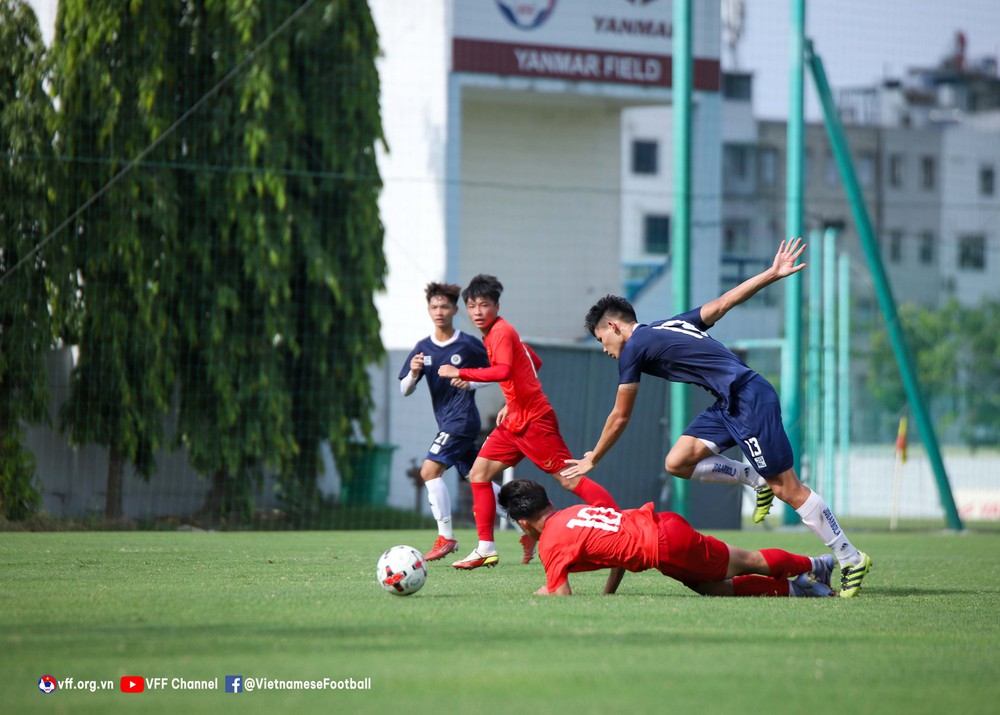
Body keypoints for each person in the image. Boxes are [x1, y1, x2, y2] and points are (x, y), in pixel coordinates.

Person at [561, 239, 872, 598]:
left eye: (602, 339)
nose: (604, 349)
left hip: (748, 398)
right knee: (678, 460)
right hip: (729, 402)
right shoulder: (669, 325)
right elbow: (724, 302)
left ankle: (850, 558)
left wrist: (593, 457)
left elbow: (620, 415)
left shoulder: (634, 347)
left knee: (788, 487)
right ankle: (756, 480)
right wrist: (771, 274)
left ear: (614, 327)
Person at [437, 274, 583, 570]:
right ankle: (486, 549)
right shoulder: (494, 334)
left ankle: (617, 521)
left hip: (534, 420)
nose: (477, 311)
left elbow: (503, 371)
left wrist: (461, 373)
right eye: (472, 305)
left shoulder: (501, 332)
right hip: (514, 420)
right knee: (478, 473)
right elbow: (532, 362)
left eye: (484, 304)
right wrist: (510, 402)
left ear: (497, 306)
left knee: (569, 479)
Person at [499, 477, 836, 597]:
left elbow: (559, 594)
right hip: (662, 528)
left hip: (664, 545)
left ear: (524, 523)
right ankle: (798, 587)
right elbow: (617, 553)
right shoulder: (571, 513)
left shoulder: (552, 542)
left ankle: (815, 565)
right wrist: (608, 594)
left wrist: (541, 592)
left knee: (747, 562)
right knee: (710, 587)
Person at [399, 282, 498, 561]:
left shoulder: (467, 344)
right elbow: (404, 390)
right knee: (480, 479)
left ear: (455, 309)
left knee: (429, 471)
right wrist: (414, 373)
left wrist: (471, 382)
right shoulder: (423, 348)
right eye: (434, 306)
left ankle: (446, 537)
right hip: (447, 423)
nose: (439, 311)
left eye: (444, 306)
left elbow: (498, 372)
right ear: (428, 310)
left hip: (461, 421)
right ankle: (526, 520)